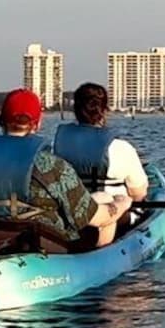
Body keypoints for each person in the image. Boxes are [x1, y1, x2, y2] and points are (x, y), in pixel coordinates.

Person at [0, 88, 133, 256]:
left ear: (1, 120)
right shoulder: (52, 166)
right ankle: (99, 262)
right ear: (37, 124)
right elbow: (94, 218)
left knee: (99, 197)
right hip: (46, 246)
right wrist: (121, 204)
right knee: (104, 199)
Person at [52, 82, 150, 234]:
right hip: (114, 218)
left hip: (72, 217)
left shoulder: (57, 145)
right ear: (104, 111)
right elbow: (139, 194)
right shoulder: (121, 148)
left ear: (75, 110)